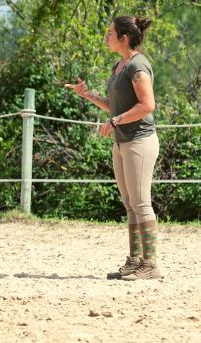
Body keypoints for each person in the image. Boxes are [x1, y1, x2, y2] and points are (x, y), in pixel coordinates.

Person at [65, 16, 160, 280]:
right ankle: (135, 261)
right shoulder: (119, 66)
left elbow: (147, 105)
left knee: (141, 202)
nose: (106, 37)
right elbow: (115, 105)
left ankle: (150, 264)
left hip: (139, 140)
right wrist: (88, 95)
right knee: (130, 204)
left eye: (110, 33)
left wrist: (115, 121)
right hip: (122, 142)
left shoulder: (138, 65)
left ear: (124, 38)